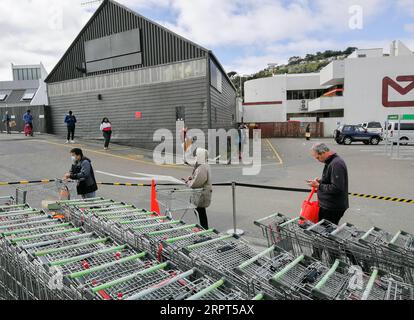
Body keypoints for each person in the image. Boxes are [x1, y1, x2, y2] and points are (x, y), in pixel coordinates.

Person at [307, 143, 349, 225]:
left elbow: (337, 188)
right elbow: (332, 180)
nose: (318, 160)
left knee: (325, 232)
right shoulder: (331, 162)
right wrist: (321, 181)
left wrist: (318, 185)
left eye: (318, 157)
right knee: (325, 230)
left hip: (332, 207)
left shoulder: (336, 164)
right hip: (329, 206)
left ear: (323, 152)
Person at [184, 148, 212, 230]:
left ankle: (204, 230)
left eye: (196, 155)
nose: (195, 156)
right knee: (201, 213)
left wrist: (188, 182)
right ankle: (203, 229)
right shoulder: (203, 165)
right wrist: (191, 178)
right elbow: (198, 178)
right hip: (201, 194)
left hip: (201, 195)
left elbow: (197, 183)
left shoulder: (202, 166)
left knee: (200, 213)